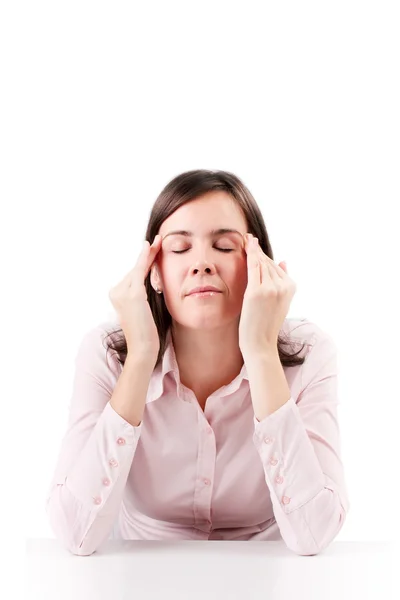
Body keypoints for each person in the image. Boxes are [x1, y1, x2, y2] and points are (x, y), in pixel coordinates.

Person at [45, 169, 350, 556]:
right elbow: (75, 532)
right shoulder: (105, 354)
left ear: (258, 266)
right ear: (153, 271)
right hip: (140, 579)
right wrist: (139, 358)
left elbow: (314, 534)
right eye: (178, 248)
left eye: (224, 246)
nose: (202, 263)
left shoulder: (310, 354)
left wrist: (260, 352)